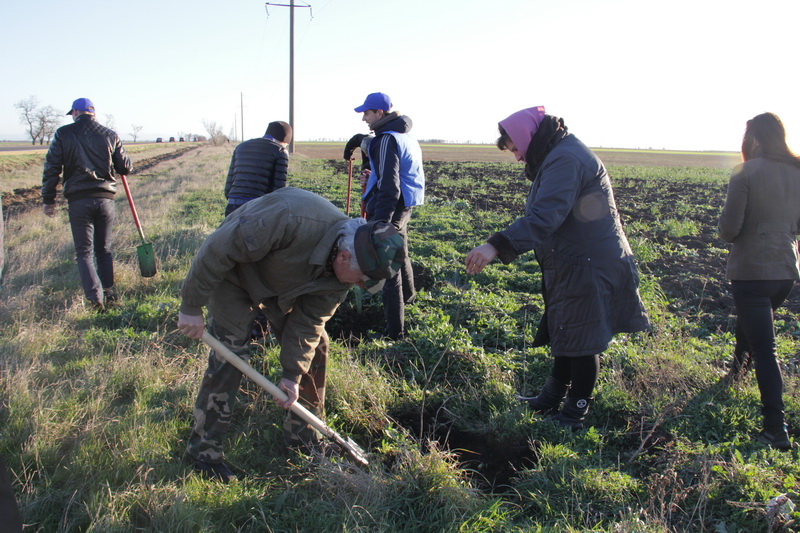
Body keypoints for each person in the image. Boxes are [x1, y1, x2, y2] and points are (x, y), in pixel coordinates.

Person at [177, 187, 405, 482]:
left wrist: (292, 375)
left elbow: (309, 320)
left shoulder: (341, 277)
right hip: (234, 276)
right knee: (230, 352)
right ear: (344, 257)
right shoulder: (289, 218)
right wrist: (191, 305)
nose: (361, 286)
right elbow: (218, 248)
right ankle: (203, 454)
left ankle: (303, 439)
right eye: (363, 279)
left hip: (281, 286)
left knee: (317, 344)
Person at [465, 106, 650, 429]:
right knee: (567, 330)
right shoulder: (559, 153)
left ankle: (575, 412)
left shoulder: (566, 159)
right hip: (575, 260)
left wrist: (495, 245)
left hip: (588, 263)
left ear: (526, 137)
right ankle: (551, 398)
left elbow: (545, 216)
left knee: (583, 339)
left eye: (515, 149)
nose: (518, 158)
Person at [718, 112, 800, 451]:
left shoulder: (746, 172)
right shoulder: (797, 171)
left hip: (752, 270)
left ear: (753, 139)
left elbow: (728, 230)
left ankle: (774, 428)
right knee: (754, 325)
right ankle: (736, 373)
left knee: (765, 349)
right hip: (785, 270)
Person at [42, 98, 133, 311]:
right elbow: (125, 168)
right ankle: (109, 291)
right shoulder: (110, 134)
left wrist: (48, 200)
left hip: (78, 201)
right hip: (105, 200)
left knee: (84, 252)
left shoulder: (63, 134)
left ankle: (95, 299)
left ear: (76, 112)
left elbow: (51, 168)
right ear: (93, 113)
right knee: (104, 249)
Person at [353, 92, 425, 339]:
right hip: (406, 203)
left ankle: (396, 333)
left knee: (387, 263)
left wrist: (381, 222)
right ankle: (410, 298)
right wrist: (369, 177)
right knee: (400, 250)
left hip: (390, 205)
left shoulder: (385, 139)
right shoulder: (405, 136)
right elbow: (390, 174)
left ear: (379, 113)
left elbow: (390, 184)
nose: (364, 118)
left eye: (367, 113)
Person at [224, 121, 292, 216]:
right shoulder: (280, 151)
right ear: (285, 140)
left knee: (232, 230)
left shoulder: (241, 147)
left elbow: (229, 183)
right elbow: (278, 188)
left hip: (233, 204)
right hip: (257, 207)